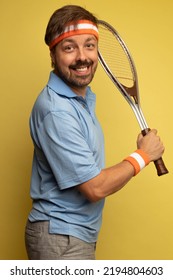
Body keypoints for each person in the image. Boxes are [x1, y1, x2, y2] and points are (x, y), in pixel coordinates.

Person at [25, 5, 165, 260]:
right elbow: (94, 188)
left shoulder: (79, 99)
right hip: (61, 237)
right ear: (53, 54)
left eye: (89, 45)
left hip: (75, 234)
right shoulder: (57, 111)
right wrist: (143, 156)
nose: (83, 57)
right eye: (69, 47)